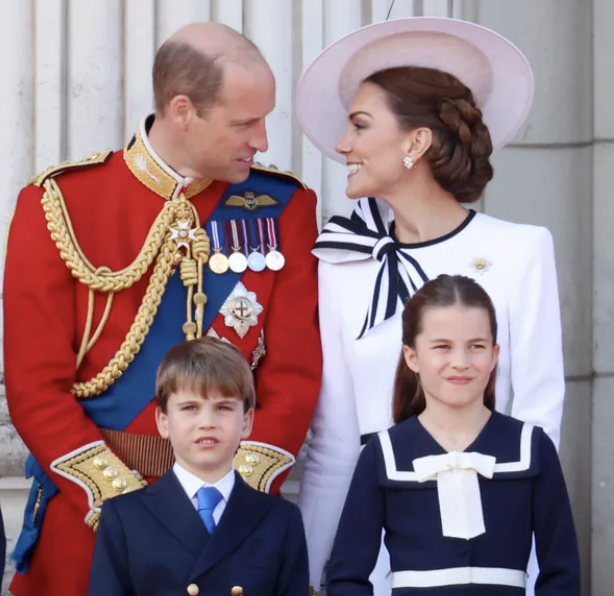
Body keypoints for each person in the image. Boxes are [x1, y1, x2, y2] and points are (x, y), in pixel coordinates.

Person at [4, 22, 321, 596]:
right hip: (91, 520)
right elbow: (33, 385)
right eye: (245, 123)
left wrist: (228, 492)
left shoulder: (284, 208)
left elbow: (294, 378)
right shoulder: (59, 204)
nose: (264, 140)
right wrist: (133, 509)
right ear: (182, 110)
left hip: (230, 521)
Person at [295, 17, 564, 596]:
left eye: (360, 126)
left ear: (415, 142)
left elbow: (539, 424)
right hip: (378, 561)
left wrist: (538, 576)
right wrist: (315, 572)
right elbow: (335, 441)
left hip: (494, 558)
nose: (343, 145)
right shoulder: (342, 263)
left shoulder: (520, 250)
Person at [326, 274, 580, 596]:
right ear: (412, 357)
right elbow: (347, 577)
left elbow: (562, 573)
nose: (460, 362)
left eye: (476, 347)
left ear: (495, 355)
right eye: (442, 347)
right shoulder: (383, 453)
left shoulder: (531, 447)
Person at [87, 337, 310, 596]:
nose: (207, 422)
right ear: (163, 421)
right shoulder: (124, 517)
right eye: (190, 408)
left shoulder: (280, 519)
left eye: (223, 407)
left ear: (247, 421)